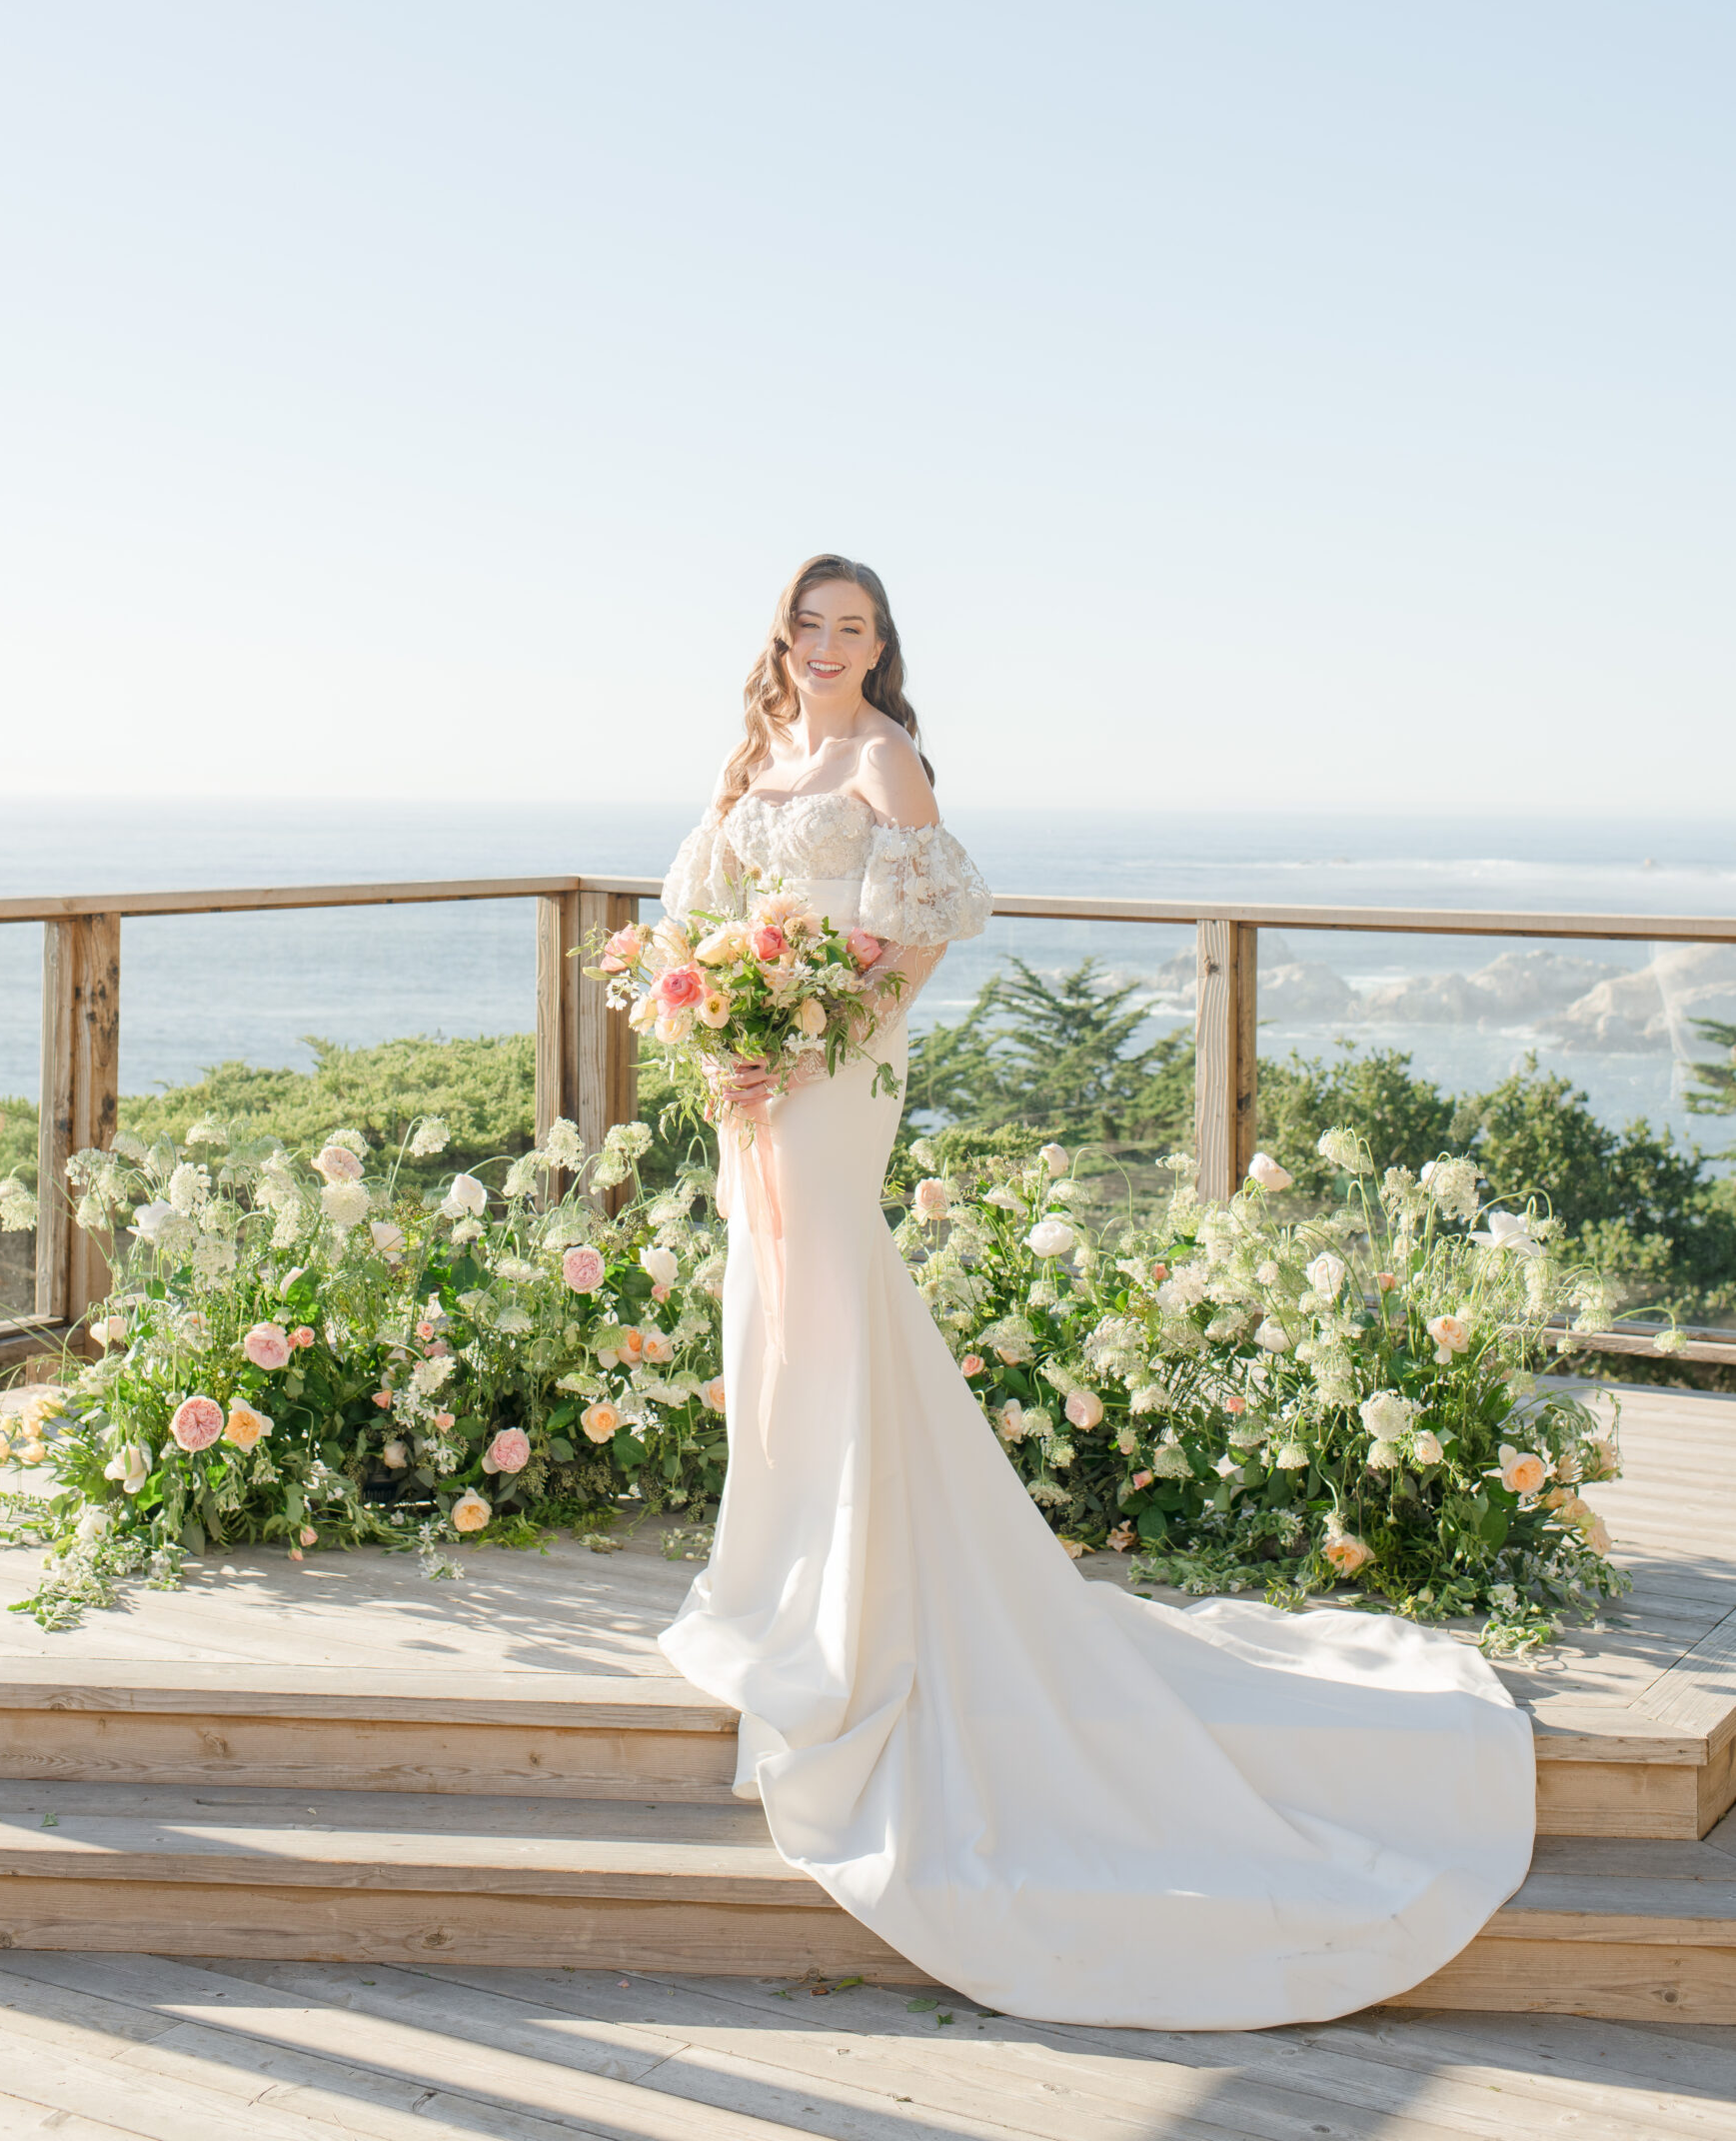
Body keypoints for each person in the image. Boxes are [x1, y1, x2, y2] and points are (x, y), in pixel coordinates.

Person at [657, 551, 1534, 2031]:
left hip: (835, 1070)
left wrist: (811, 1037)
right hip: (751, 1068)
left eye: (850, 626)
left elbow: (923, 928)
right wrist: (716, 1026)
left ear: (882, 644)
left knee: (824, 1298)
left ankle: (841, 1600)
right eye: (806, 624)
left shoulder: (883, 756)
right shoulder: (759, 750)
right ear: (779, 637)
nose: (824, 645)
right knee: (771, 1301)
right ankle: (779, 1573)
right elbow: (693, 910)